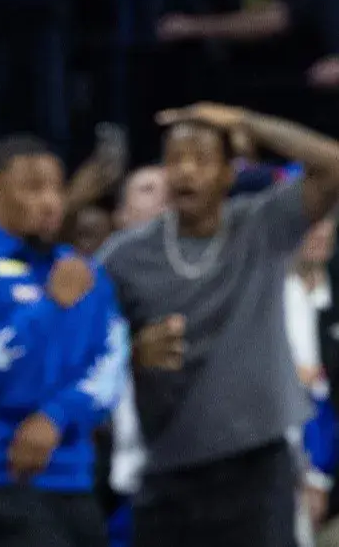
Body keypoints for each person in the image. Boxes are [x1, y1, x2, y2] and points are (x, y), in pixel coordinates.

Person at [99, 103, 339, 547]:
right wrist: (130, 353)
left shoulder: (261, 225)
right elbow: (85, 345)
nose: (185, 171)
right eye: (175, 159)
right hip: (168, 466)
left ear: (229, 173)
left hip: (258, 465)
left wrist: (246, 121)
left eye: (202, 159)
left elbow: (332, 165)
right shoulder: (127, 255)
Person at [0, 135, 125, 547]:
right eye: (33, 187)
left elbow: (110, 363)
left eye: (56, 187)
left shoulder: (80, 271)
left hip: (73, 476)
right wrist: (49, 307)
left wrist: (56, 416)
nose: (51, 201)